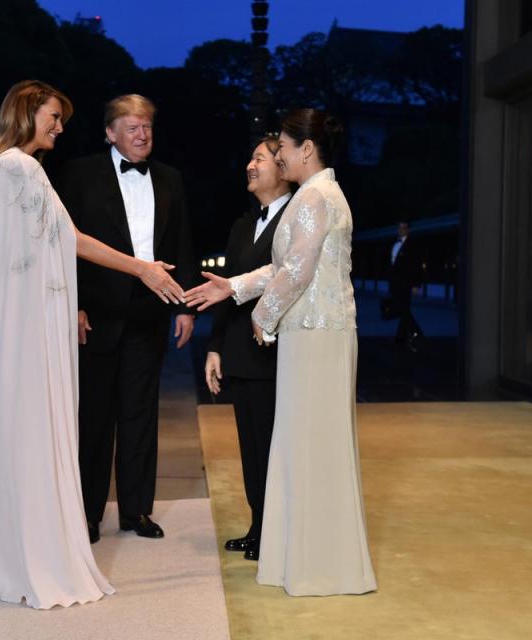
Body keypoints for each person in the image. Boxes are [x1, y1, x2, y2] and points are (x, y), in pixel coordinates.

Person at [0, 80, 185, 608]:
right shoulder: (21, 166)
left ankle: (9, 552)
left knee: (18, 425)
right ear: (27, 113)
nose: (60, 127)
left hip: (9, 319)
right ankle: (39, 555)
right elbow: (72, 239)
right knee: (44, 424)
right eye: (53, 116)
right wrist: (142, 269)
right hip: (31, 319)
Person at [186, 109, 377, 596]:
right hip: (314, 333)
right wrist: (231, 287)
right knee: (305, 444)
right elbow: (282, 268)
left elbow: (297, 271)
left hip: (315, 335)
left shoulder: (314, 196)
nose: (281, 156)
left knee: (311, 444)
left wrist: (261, 318)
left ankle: (318, 562)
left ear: (306, 149)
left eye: (285, 148)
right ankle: (308, 552)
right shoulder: (319, 195)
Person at [55, 94, 198, 544]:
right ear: (110, 133)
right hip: (96, 312)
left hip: (150, 311)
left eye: (148, 128)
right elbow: (64, 244)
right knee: (94, 416)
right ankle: (88, 513)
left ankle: (137, 512)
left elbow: (183, 243)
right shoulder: (79, 174)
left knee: (140, 414)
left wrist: (185, 306)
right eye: (132, 128)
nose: (142, 135)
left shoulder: (171, 178)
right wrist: (73, 304)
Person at [205, 135, 290, 561]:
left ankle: (277, 531)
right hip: (241, 354)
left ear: (281, 166)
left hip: (277, 355)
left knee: (275, 447)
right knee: (251, 447)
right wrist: (215, 347)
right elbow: (226, 291)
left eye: (257, 158)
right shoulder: (241, 224)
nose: (249, 166)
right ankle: (258, 526)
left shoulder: (297, 217)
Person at [389, 220, 423, 349]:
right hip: (396, 283)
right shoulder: (394, 244)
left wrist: (416, 284)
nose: (401, 230)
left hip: (406, 283)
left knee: (403, 309)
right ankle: (401, 338)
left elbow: (416, 266)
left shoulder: (412, 245)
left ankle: (417, 333)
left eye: (403, 228)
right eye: (399, 228)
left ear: (408, 230)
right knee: (403, 309)